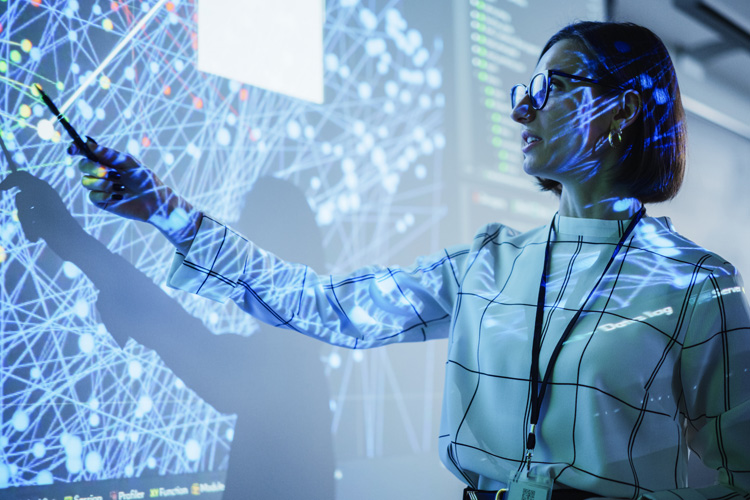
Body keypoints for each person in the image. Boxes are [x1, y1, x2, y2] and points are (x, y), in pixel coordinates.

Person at [68, 21, 749, 500]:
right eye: (523, 93)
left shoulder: (696, 285)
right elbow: (326, 306)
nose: (522, 113)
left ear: (624, 110)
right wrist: (167, 212)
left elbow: (740, 470)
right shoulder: (491, 263)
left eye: (552, 87)